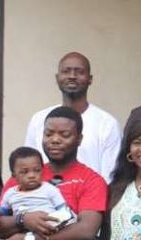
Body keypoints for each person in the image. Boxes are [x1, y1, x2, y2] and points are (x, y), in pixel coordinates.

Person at [0, 106, 107, 240]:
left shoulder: (91, 180)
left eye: (64, 135)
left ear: (79, 139)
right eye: (49, 134)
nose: (55, 140)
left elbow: (85, 231)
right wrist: (24, 219)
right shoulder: (24, 174)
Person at [24, 52, 121, 181]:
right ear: (57, 78)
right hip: (42, 198)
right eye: (66, 71)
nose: (72, 76)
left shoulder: (107, 124)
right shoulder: (39, 119)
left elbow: (109, 176)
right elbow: (28, 164)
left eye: (79, 72)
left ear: (90, 79)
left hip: (89, 197)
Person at [0, 148, 71, 240]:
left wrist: (53, 222)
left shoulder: (50, 190)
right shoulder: (11, 194)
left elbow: (65, 212)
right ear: (14, 175)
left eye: (37, 170)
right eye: (25, 172)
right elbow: (2, 210)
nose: (32, 175)